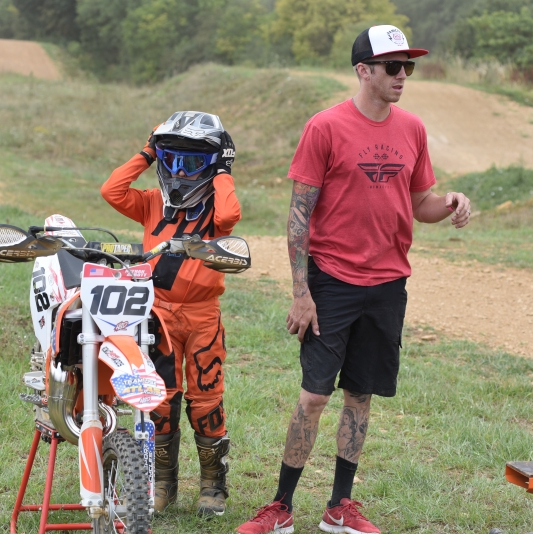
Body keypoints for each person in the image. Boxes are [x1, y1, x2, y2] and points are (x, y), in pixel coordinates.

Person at [236, 24, 471, 534]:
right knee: (314, 396)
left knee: (360, 396)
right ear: (364, 70)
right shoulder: (325, 127)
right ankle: (280, 506)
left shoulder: (413, 129)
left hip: (387, 284)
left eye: (408, 66)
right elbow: (299, 215)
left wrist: (449, 202)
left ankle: (339, 507)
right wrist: (301, 292)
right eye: (393, 66)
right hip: (332, 281)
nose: (402, 75)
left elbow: (420, 203)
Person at [101, 111, 241, 516]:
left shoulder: (215, 209)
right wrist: (147, 152)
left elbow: (230, 216)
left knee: (206, 398)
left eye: (191, 163)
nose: (180, 172)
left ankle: (213, 486)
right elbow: (112, 190)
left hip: (202, 316)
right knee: (159, 399)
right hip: (157, 314)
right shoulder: (150, 203)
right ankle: (163, 484)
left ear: (209, 166)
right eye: (172, 161)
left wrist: (224, 171)